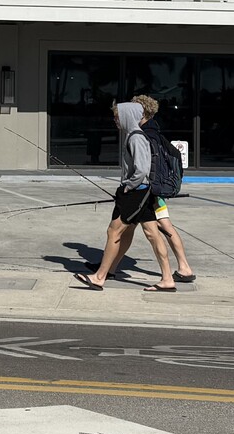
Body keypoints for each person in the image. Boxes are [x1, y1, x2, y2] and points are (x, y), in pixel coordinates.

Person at [73, 100, 176, 292]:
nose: (115, 120)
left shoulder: (135, 137)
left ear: (128, 116)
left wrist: (128, 187)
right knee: (150, 234)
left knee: (114, 231)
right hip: (142, 192)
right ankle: (168, 279)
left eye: (117, 116)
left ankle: (99, 277)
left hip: (136, 193)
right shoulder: (135, 135)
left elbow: (142, 169)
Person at [133, 94, 196, 283]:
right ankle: (184, 267)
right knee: (165, 226)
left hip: (148, 192)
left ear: (141, 112)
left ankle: (106, 270)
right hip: (156, 191)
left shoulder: (145, 135)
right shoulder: (158, 135)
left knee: (123, 228)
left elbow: (145, 167)